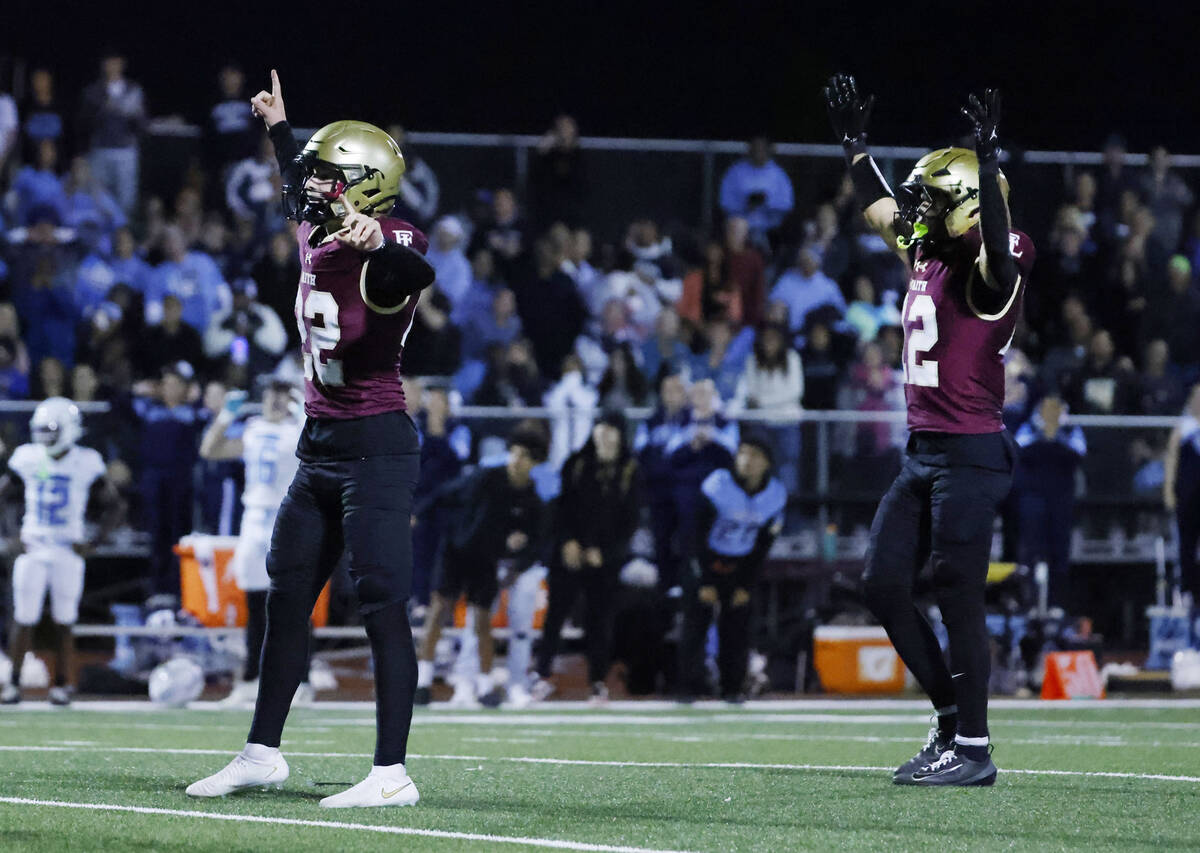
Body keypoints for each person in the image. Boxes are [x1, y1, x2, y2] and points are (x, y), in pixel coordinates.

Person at [187, 70, 435, 809]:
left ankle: (392, 772)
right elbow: (297, 188)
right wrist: (279, 128)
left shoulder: (386, 249)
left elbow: (417, 265)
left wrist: (379, 238)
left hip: (377, 446)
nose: (314, 185)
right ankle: (261, 753)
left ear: (367, 187)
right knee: (286, 594)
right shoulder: (314, 226)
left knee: (381, 600)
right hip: (318, 447)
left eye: (331, 176)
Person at [826, 75, 1035, 786]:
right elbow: (881, 206)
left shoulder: (991, 264)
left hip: (972, 453)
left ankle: (973, 748)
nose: (919, 210)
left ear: (970, 205)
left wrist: (991, 157)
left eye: (934, 200)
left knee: (957, 593)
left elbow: (997, 248)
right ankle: (950, 720)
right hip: (923, 453)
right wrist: (856, 148)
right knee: (882, 583)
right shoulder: (926, 251)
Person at [414, 426, 548, 707]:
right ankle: (422, 681)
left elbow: (534, 541)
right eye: (514, 453)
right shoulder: (487, 477)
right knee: (439, 610)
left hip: (486, 559)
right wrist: (419, 513)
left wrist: (517, 556)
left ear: (535, 462)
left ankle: (485, 686)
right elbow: (448, 492)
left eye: (524, 456)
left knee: (482, 621)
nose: (516, 460)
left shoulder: (532, 500)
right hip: (455, 551)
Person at [1, 398, 123, 705]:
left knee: (64, 620)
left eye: (51, 430)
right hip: (34, 545)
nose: (45, 437)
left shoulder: (86, 461)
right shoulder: (28, 457)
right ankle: (13, 683)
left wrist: (94, 542)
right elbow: (3, 495)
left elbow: (115, 505)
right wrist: (12, 535)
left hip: (67, 548)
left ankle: (62, 684)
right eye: (41, 431)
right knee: (23, 617)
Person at [198, 380, 304, 707]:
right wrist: (225, 416)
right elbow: (210, 450)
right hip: (253, 519)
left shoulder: (297, 431)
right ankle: (249, 680)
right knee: (255, 603)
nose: (275, 401)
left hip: (286, 518)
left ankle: (301, 680)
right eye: (272, 395)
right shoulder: (253, 429)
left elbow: (325, 450)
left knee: (290, 604)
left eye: (282, 396)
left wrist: (304, 414)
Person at [533, 412, 641, 704]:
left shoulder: (630, 470)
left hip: (604, 560)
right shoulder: (576, 463)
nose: (604, 435)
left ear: (620, 435)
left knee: (600, 621)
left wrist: (605, 553)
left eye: (611, 430)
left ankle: (597, 682)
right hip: (568, 555)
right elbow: (560, 508)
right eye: (600, 429)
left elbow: (630, 521)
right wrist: (567, 542)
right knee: (555, 616)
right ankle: (541, 676)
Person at [679, 435, 785, 701]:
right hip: (707, 559)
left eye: (755, 456)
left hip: (741, 564)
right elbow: (694, 535)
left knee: (737, 627)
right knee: (695, 623)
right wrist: (704, 580)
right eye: (743, 453)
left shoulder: (775, 495)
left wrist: (745, 584)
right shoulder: (718, 485)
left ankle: (733, 687)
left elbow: (763, 545)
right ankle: (688, 687)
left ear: (767, 463)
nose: (747, 461)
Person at [1013, 395, 1087, 613]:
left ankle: (1056, 603)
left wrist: (1055, 438)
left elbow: (1077, 454)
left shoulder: (1071, 429)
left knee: (1059, 553)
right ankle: (1030, 603)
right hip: (1033, 499)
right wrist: (1045, 437)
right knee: (1031, 552)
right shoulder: (1028, 427)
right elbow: (1021, 450)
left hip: (1061, 500)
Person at [77, 52, 145, 215]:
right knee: (97, 198)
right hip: (100, 150)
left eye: (116, 62)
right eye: (109, 62)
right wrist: (103, 109)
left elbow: (142, 124)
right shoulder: (93, 91)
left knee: (126, 200)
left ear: (122, 65)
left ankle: (123, 231)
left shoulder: (133, 90)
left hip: (125, 151)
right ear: (103, 65)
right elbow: (83, 123)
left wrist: (134, 114)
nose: (112, 66)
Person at [718, 137, 795, 248]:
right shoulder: (735, 172)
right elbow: (725, 203)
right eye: (756, 148)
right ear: (749, 149)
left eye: (762, 148)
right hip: (740, 230)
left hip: (771, 231)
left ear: (769, 150)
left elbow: (787, 205)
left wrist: (766, 203)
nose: (758, 152)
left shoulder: (779, 174)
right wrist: (746, 204)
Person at [1164, 384, 1200, 603]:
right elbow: (1171, 458)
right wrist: (1168, 489)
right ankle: (1187, 590)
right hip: (1188, 494)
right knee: (1187, 543)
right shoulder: (1183, 427)